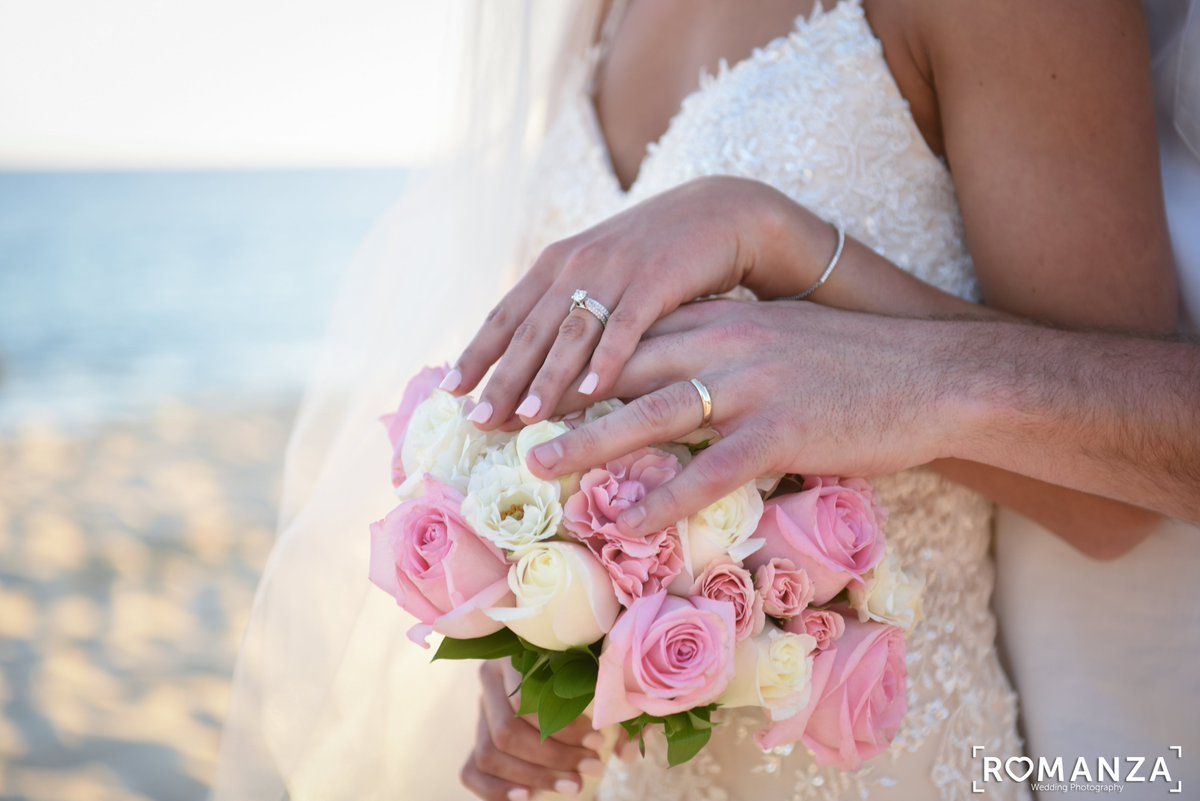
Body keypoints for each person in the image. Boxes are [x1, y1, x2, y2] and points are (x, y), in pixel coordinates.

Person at [210, 1, 1184, 800]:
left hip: (890, 763)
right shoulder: (595, 13)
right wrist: (537, 616)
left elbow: (1122, 494)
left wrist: (779, 240)